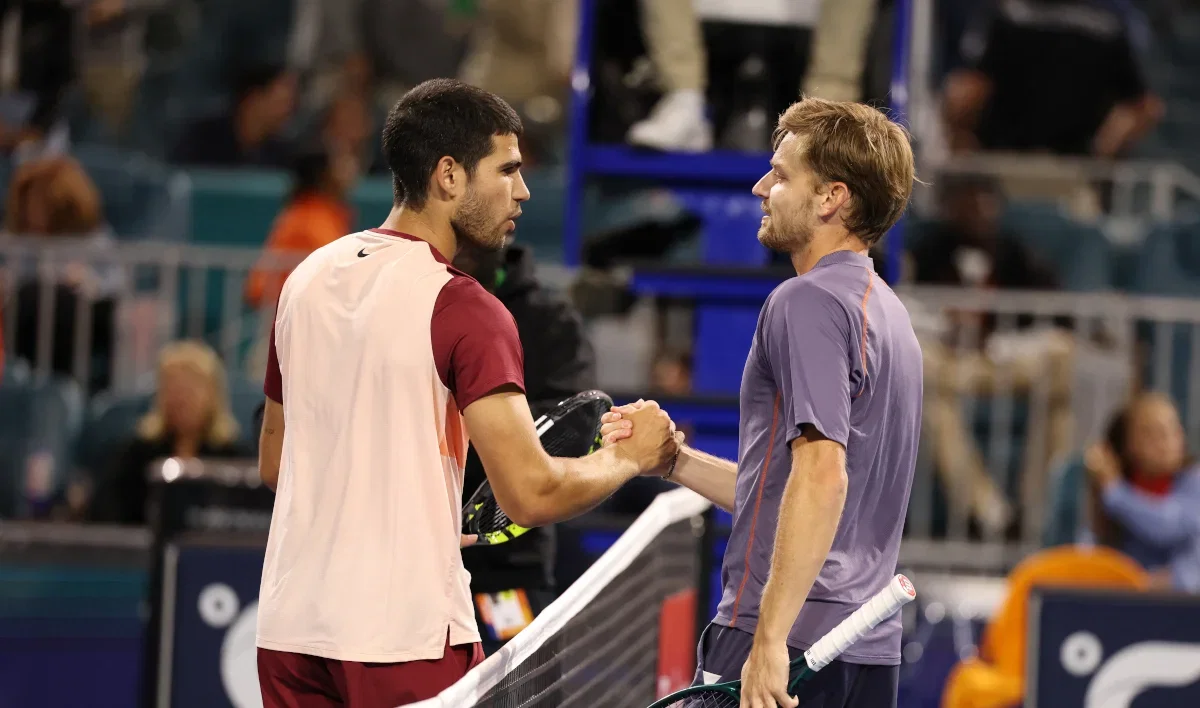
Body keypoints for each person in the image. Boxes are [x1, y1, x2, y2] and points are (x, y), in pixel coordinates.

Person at [253, 78, 679, 708]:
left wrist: (399, 518)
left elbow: (274, 466)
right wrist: (630, 458)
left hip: (288, 633)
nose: (523, 191)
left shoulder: (307, 278)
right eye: (506, 170)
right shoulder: (465, 309)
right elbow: (532, 493)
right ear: (448, 175)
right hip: (404, 639)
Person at [602, 96, 921, 708]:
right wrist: (674, 460)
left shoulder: (805, 303)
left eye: (780, 174)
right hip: (862, 651)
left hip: (788, 646)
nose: (759, 186)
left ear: (830, 197)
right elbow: (790, 493)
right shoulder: (890, 314)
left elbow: (821, 476)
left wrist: (769, 640)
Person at [453, 240, 597, 654]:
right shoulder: (404, 308)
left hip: (505, 573)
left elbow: (567, 430)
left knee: (520, 691)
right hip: (407, 575)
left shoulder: (549, 322)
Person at [90, 340, 246, 524]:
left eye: (190, 389)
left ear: (212, 395)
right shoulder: (137, 454)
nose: (180, 398)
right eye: (173, 388)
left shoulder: (235, 460)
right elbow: (106, 512)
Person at [1086, 392, 1200, 592]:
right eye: (1151, 432)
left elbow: (1168, 527)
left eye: (1173, 429)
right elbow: (1093, 550)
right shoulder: (1116, 488)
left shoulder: (1193, 482)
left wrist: (1114, 492)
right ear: (1127, 444)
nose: (1166, 440)